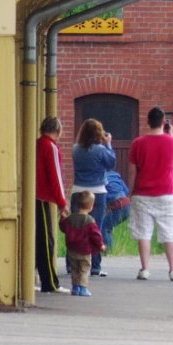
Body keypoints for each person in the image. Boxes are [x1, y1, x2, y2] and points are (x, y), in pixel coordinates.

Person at [128, 106, 173, 281]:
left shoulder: (138, 142)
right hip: (166, 192)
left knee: (144, 232)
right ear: (163, 122)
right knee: (169, 231)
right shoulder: (171, 141)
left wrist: (131, 190)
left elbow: (132, 167)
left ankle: (145, 269)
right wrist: (172, 134)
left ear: (147, 121)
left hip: (142, 192)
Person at [70, 118, 116, 277]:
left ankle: (72, 265)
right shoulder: (101, 150)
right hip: (97, 191)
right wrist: (108, 143)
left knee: (76, 228)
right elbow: (111, 164)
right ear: (99, 134)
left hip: (78, 190)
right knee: (95, 229)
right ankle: (95, 266)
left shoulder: (75, 149)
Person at [35, 116, 69, 294]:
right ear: (58, 131)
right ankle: (50, 282)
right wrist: (63, 203)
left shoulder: (36, 144)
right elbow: (56, 177)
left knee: (36, 240)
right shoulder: (51, 147)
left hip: (32, 197)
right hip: (42, 199)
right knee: (46, 241)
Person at [60, 191, 105, 297]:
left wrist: (62, 217)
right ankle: (83, 288)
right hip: (85, 250)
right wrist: (101, 245)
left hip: (72, 250)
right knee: (84, 269)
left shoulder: (70, 219)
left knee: (75, 269)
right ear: (91, 206)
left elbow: (63, 227)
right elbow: (96, 235)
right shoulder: (90, 221)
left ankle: (75, 287)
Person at [101, 168, 131, 253]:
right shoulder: (115, 175)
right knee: (107, 226)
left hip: (118, 205)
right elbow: (126, 191)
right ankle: (109, 249)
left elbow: (102, 196)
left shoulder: (100, 177)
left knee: (104, 228)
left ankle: (109, 251)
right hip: (127, 205)